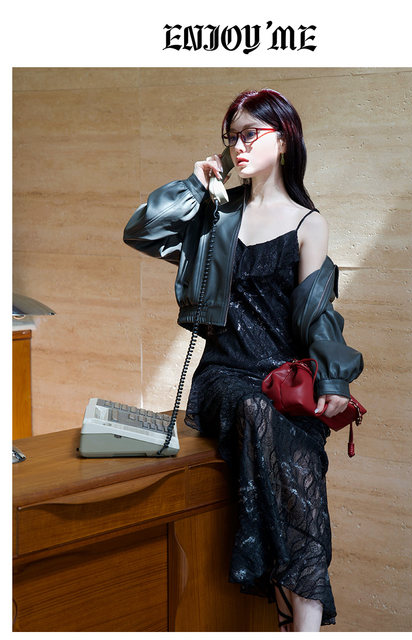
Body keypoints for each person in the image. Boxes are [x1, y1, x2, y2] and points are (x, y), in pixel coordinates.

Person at [124, 88, 364, 631]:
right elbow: (140, 231)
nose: (238, 145)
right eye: (232, 136)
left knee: (299, 460)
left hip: (280, 381)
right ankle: (295, 615)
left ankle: (297, 622)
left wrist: (334, 380)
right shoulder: (216, 215)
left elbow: (317, 312)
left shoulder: (308, 224)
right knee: (257, 411)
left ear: (285, 140)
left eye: (250, 133)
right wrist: (195, 187)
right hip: (223, 378)